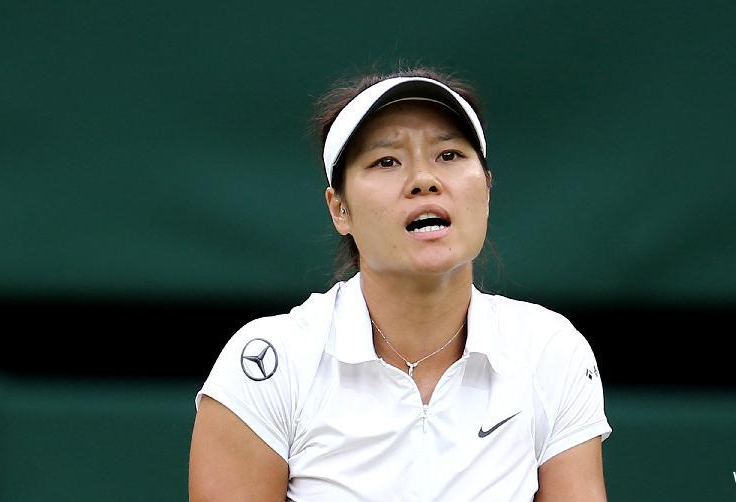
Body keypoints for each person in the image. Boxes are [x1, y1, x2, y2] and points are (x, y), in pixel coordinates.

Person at [189, 65, 612, 501]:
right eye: (386, 161)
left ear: (486, 188)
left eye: (448, 155)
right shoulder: (269, 363)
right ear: (340, 209)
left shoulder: (550, 350)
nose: (424, 180)